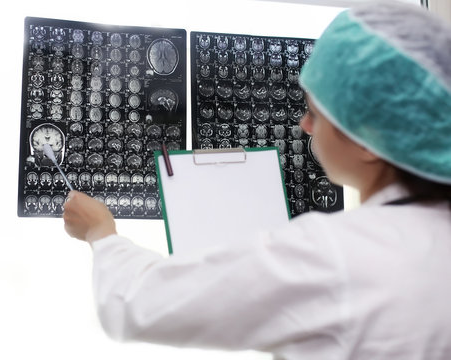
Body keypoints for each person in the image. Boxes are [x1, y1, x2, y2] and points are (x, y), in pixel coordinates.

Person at [63, 1, 451, 358]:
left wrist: (102, 233)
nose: (304, 125)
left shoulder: (336, 255)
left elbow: (136, 304)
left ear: (368, 139)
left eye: (317, 113)